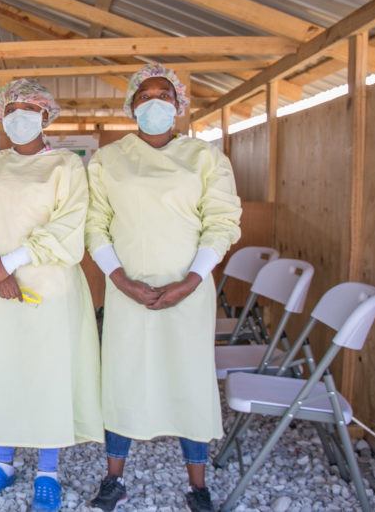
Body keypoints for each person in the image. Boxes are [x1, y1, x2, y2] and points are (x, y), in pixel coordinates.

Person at [85, 64, 242, 512]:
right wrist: (119, 279)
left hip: (188, 289)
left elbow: (223, 220)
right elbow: (96, 224)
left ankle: (197, 484)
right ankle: (114, 478)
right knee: (123, 376)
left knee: (189, 378)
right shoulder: (109, 159)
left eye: (165, 94)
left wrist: (193, 278)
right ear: (132, 105)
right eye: (145, 95)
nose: (155, 101)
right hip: (127, 288)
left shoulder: (205, 157)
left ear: (179, 106)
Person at [0, 78, 104, 512]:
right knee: (2, 370)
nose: (19, 115)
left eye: (28, 107)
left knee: (47, 373)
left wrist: (12, 260)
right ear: (1, 116)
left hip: (51, 290)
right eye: (11, 108)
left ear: (45, 115)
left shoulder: (66, 166)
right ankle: (3, 462)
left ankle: (47, 470)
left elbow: (68, 226)